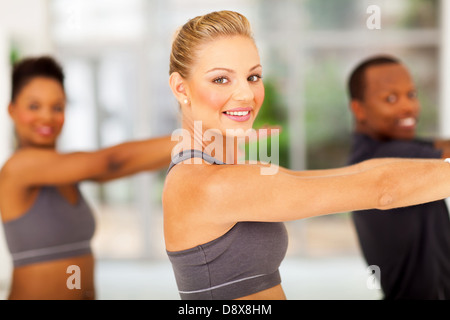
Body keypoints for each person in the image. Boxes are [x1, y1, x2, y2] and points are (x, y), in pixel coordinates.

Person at [163, 10, 450, 300]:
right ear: (180, 88)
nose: (246, 94)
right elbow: (382, 189)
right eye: (221, 80)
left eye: (253, 76)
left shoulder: (220, 168)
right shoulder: (207, 183)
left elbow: (355, 173)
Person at [0, 56, 176, 300]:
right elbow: (112, 160)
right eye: (33, 106)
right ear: (12, 110)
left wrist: (200, 144)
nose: (47, 117)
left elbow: (128, 165)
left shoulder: (66, 171)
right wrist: (197, 136)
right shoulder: (18, 167)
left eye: (57, 107)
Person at [347, 55, 450, 299]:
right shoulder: (388, 157)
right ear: (359, 109)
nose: (408, 107)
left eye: (411, 95)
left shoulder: (388, 145)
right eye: (390, 98)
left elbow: (440, 144)